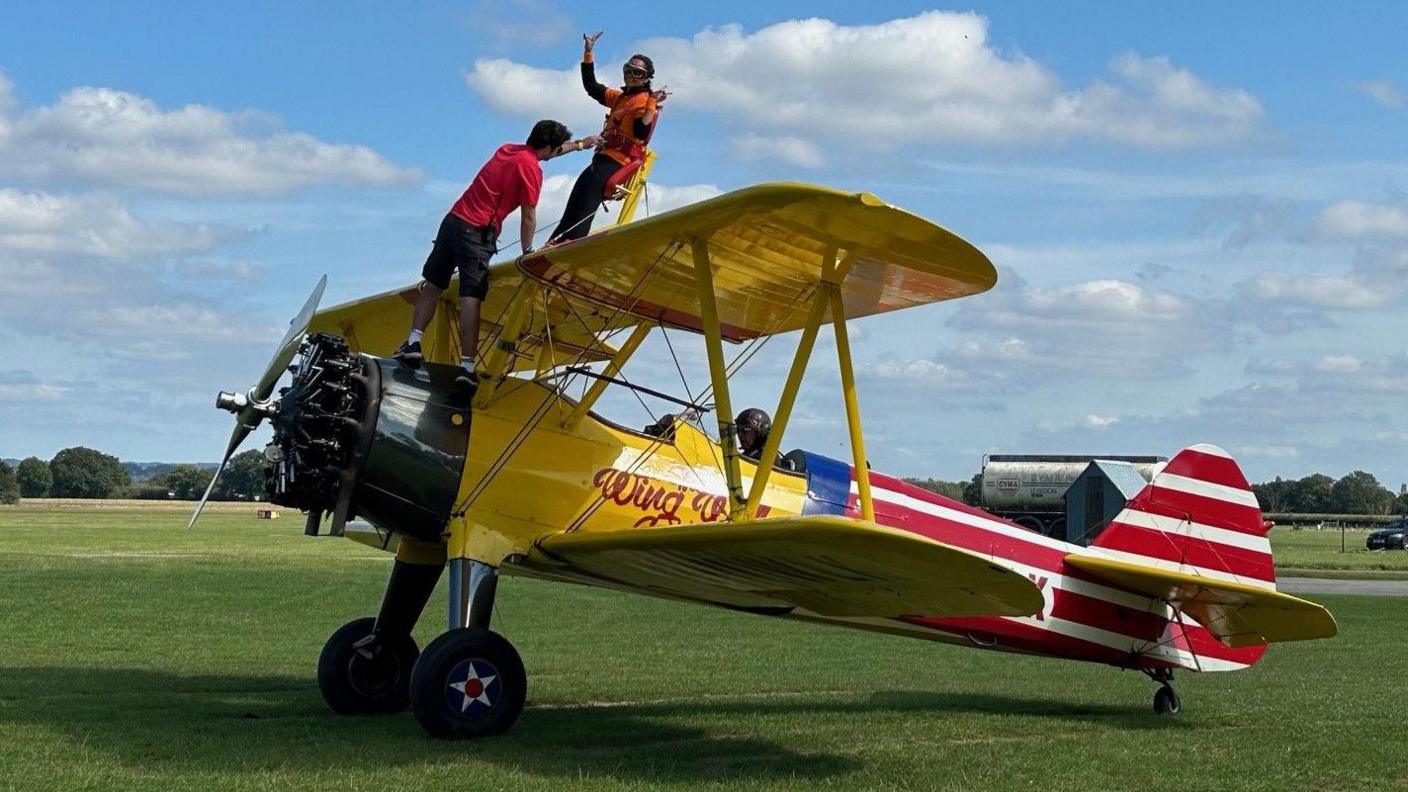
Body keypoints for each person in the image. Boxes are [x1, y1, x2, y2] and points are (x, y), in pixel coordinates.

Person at [393, 120, 599, 391]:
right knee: (471, 298)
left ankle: (414, 341)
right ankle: (467, 366)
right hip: (477, 233)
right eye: (555, 149)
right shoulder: (531, 170)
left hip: (452, 222)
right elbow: (528, 216)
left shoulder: (508, 149)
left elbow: (547, 151)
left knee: (433, 286)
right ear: (547, 147)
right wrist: (528, 251)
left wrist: (582, 144)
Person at [547, 31, 669, 244]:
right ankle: (554, 243)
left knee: (586, 207)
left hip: (617, 162)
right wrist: (588, 53)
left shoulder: (644, 101)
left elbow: (641, 131)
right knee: (575, 200)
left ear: (647, 77)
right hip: (602, 158)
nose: (631, 75)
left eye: (637, 73)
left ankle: (571, 246)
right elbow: (591, 87)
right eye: (628, 70)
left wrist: (651, 102)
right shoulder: (620, 97)